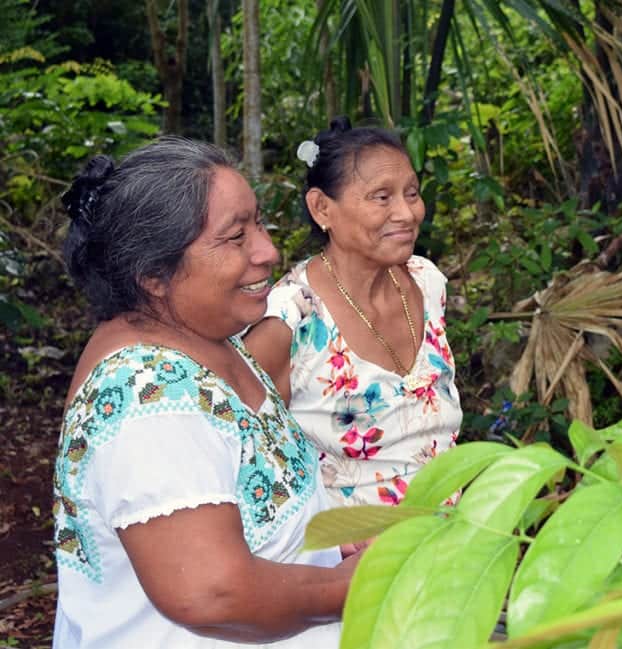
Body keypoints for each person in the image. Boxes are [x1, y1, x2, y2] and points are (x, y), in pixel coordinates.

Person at [54, 137, 360, 648]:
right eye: (235, 237)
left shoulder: (208, 339)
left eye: (258, 223)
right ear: (153, 273)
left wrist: (329, 548)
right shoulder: (146, 400)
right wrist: (347, 587)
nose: (268, 250)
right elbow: (214, 594)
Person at [244, 117, 461, 507]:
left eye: (411, 193)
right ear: (322, 208)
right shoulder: (289, 318)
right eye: (382, 197)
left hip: (453, 544)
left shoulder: (427, 283)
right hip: (351, 561)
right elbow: (245, 459)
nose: (407, 213)